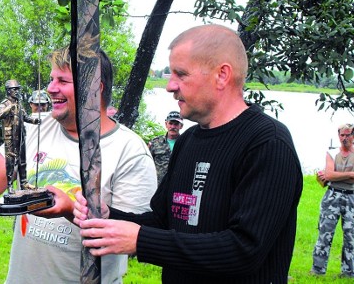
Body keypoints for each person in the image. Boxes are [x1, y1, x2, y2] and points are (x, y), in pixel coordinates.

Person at [73, 24, 303, 284]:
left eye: (181, 74)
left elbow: (244, 250)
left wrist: (139, 241)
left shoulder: (267, 143)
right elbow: (163, 220)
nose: (170, 86)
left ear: (222, 75)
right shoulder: (188, 141)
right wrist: (110, 217)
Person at [0, 45, 157, 283]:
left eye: (62, 81)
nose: (50, 88)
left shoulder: (129, 151)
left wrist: (69, 210)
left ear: (95, 88)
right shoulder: (37, 127)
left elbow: (132, 239)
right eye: (51, 79)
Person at [312, 123, 354, 277]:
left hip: (351, 198)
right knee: (325, 233)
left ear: (353, 136)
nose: (344, 138)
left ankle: (348, 272)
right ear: (338, 136)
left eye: (348, 134)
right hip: (332, 196)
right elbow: (328, 175)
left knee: (351, 236)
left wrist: (335, 174)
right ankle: (318, 270)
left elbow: (331, 175)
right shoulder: (332, 153)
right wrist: (349, 174)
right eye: (342, 135)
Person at [0, 80, 40, 192]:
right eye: (14, 89)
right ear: (8, 91)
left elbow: (25, 117)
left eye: (17, 89)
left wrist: (35, 120)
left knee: (22, 160)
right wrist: (9, 108)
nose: (16, 91)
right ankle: (10, 185)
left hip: (20, 134)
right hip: (10, 136)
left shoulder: (19, 103)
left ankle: (24, 182)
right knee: (10, 161)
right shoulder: (5, 103)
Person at [148, 111, 183, 183]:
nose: (173, 127)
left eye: (176, 124)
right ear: (166, 124)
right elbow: (146, 164)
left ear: (181, 126)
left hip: (178, 184)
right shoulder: (155, 142)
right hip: (158, 185)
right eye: (170, 123)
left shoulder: (186, 142)